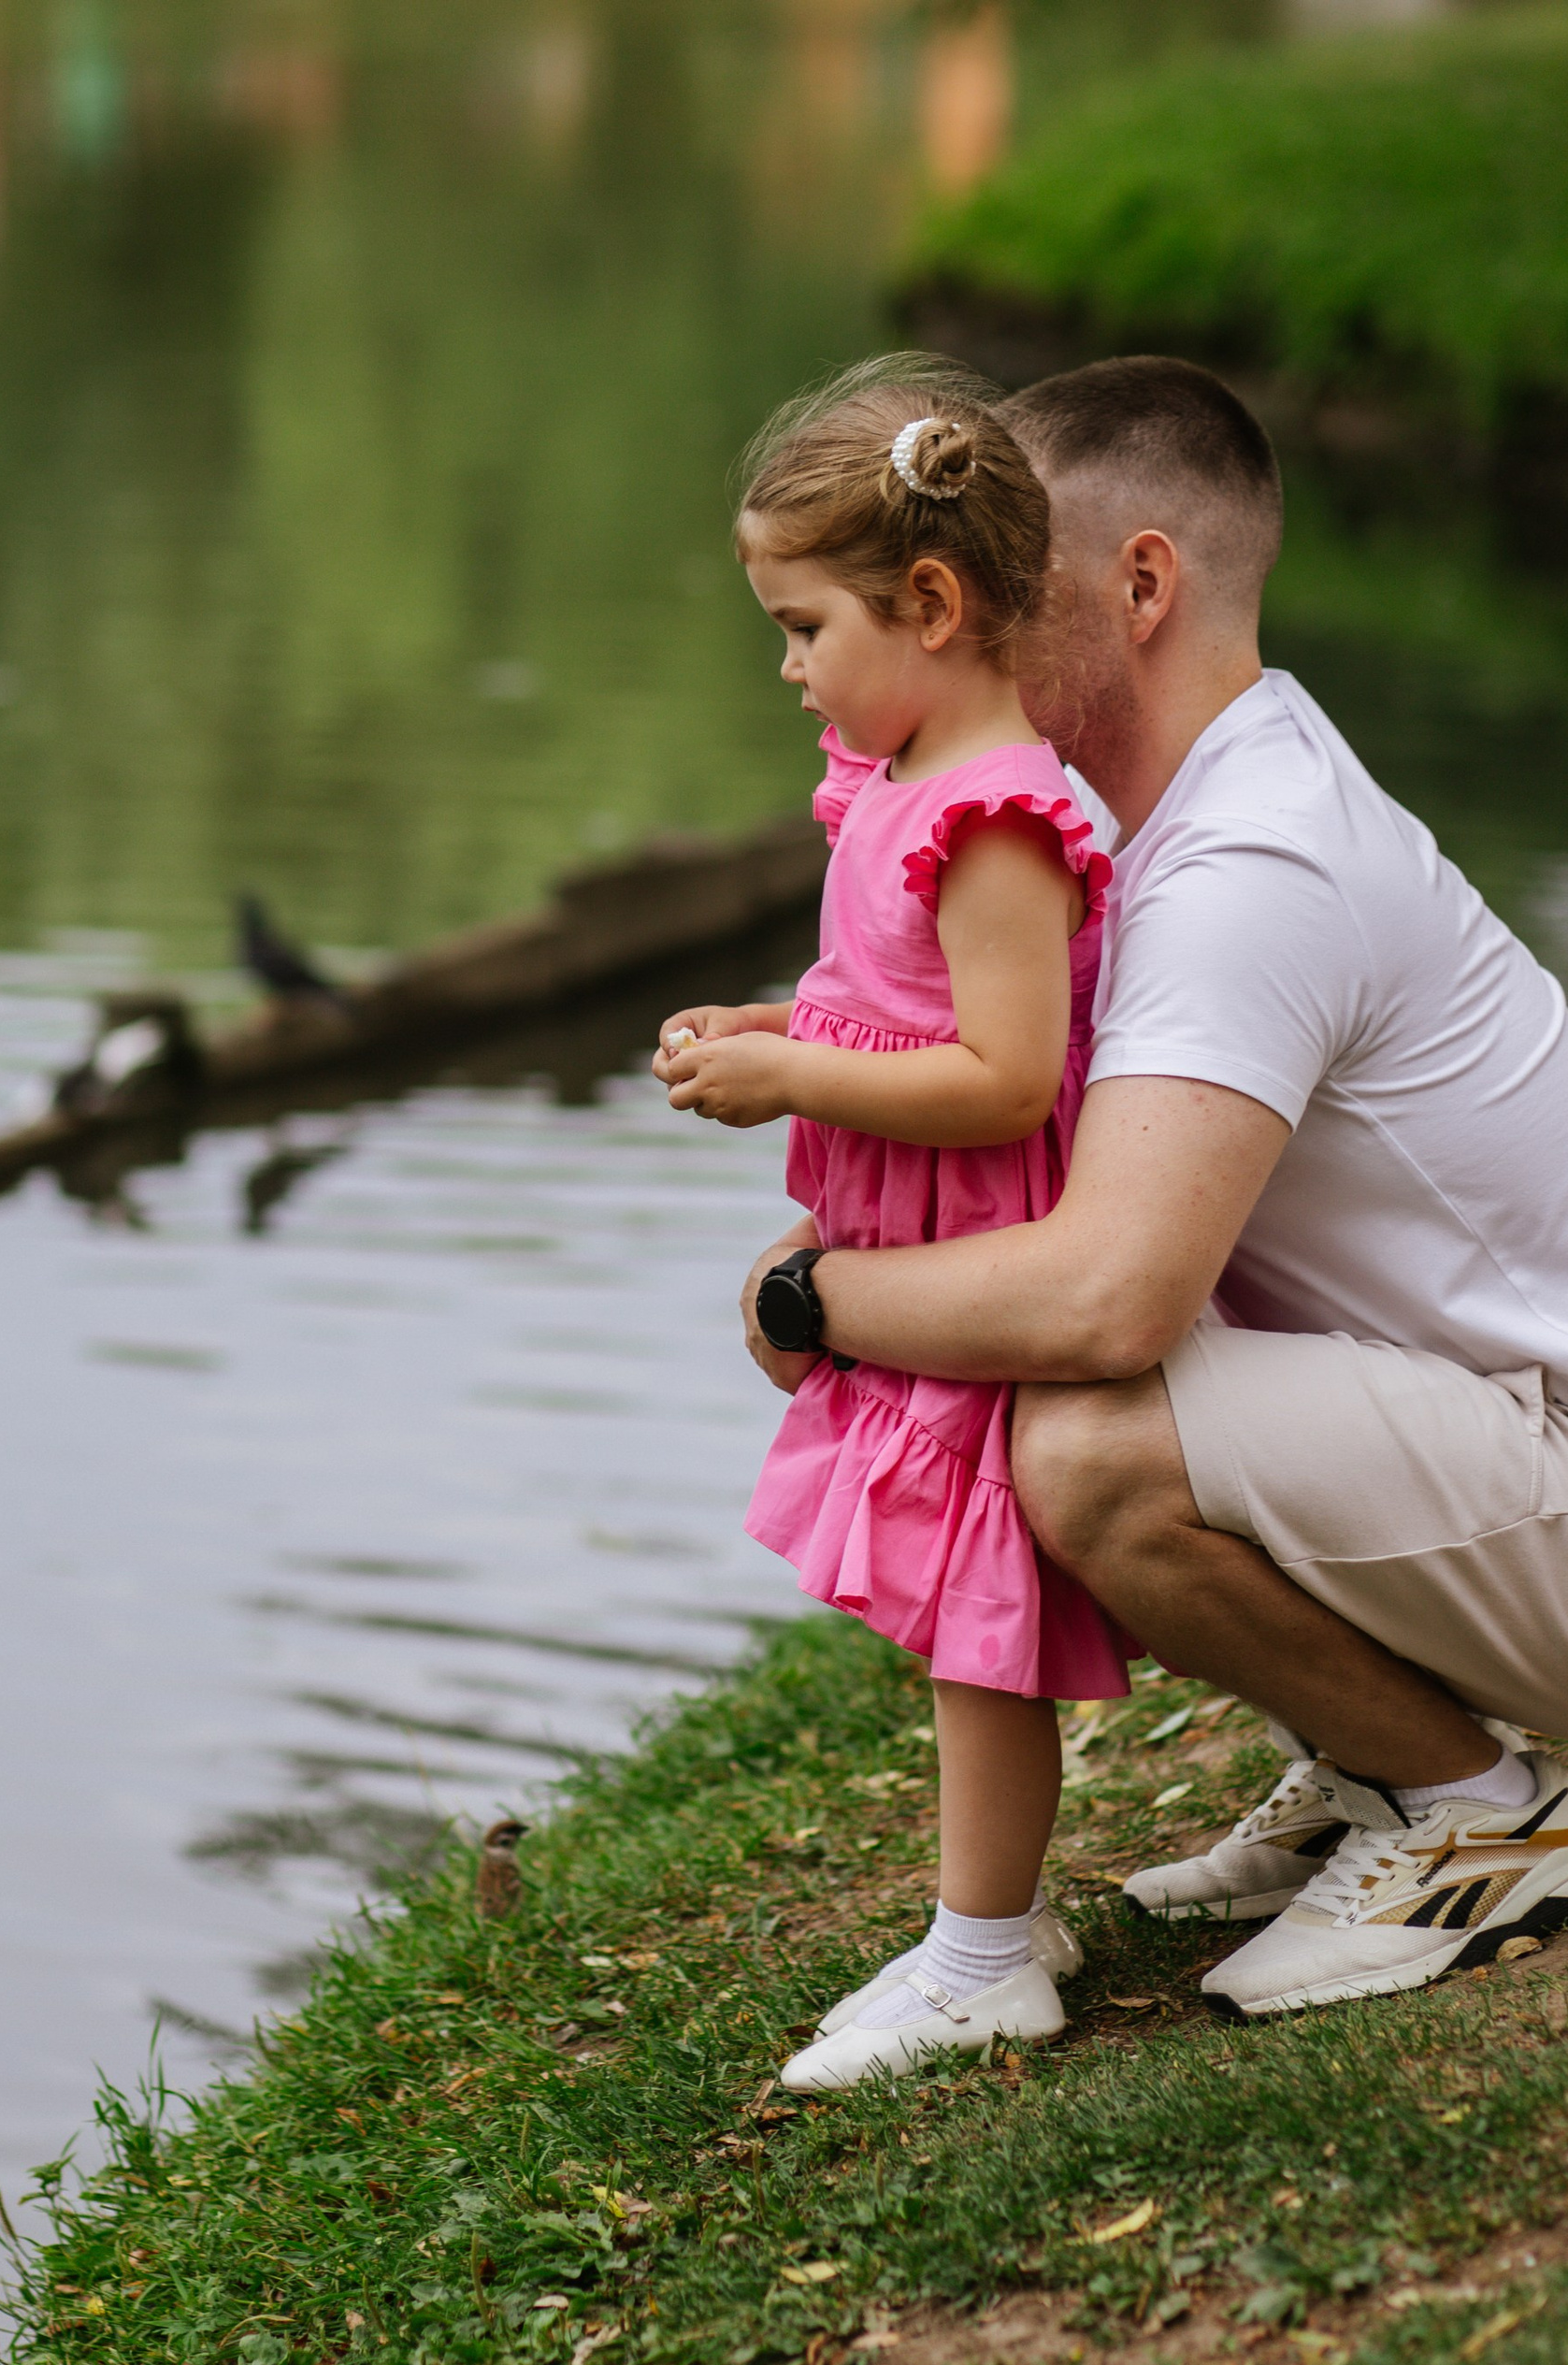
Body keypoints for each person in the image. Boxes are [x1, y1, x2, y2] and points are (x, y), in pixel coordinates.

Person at [733, 353, 1568, 2029]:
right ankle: (1377, 1756)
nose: (949, 624)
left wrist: (810, 1301)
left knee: (1086, 1438)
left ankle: (1475, 1806)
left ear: (1140, 585)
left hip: (1540, 1456)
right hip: (1490, 1446)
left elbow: (1110, 1295)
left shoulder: (1248, 864)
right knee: (1051, 1393)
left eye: (997, 584)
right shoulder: (1159, 818)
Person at [654, 361, 1125, 2090]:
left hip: (975, 1255)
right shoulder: (900, 780)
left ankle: (987, 1953)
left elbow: (1006, 1077)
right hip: (914, 1244)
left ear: (929, 606)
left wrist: (793, 1079)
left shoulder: (996, 816)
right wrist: (762, 1023)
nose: (786, 665)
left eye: (801, 625)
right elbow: (883, 997)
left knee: (975, 1607)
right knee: (949, 1607)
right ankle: (999, 1918)